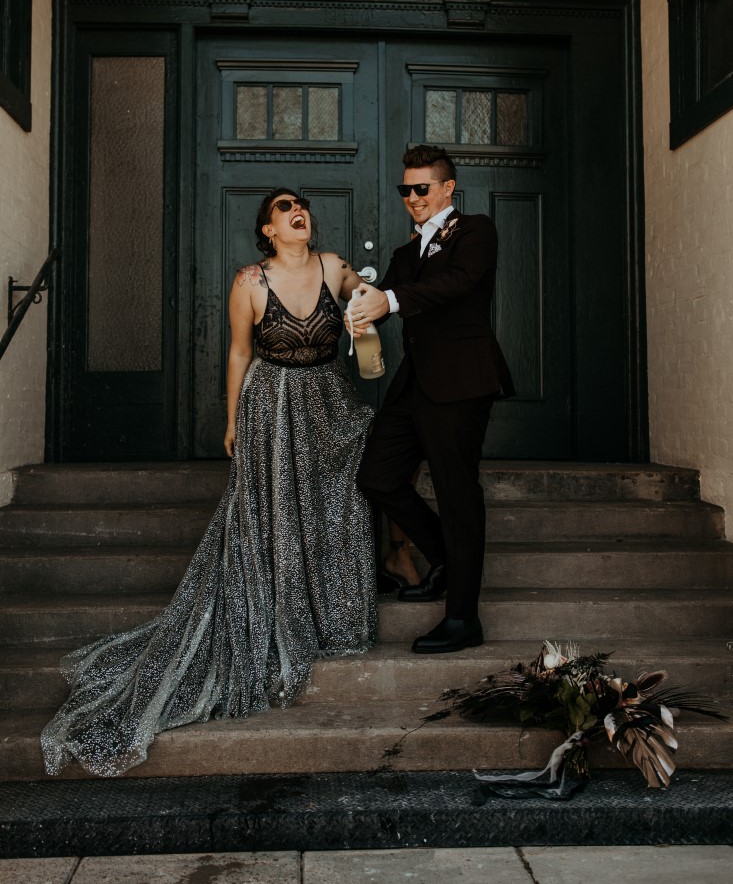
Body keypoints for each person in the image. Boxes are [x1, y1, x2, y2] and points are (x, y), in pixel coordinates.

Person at [41, 188, 377, 777]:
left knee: (343, 504)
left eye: (301, 206)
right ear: (268, 230)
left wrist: (369, 298)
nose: (297, 212)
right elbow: (239, 353)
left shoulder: (332, 266)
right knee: (274, 513)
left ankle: (336, 611)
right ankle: (281, 609)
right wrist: (229, 422)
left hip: (330, 401)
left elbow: (364, 296)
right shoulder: (249, 282)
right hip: (270, 408)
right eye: (282, 208)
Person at [352, 145, 514, 655]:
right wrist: (343, 295)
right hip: (414, 385)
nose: (413, 198)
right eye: (407, 190)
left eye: (422, 188)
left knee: (456, 493)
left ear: (447, 188)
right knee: (376, 476)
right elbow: (377, 304)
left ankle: (463, 618)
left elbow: (458, 282)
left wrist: (392, 299)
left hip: (462, 383)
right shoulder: (404, 254)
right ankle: (447, 557)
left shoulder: (475, 231)